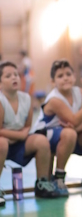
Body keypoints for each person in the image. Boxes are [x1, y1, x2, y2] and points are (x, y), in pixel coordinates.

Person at [31, 59, 82, 197]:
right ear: (53, 82)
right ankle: (59, 178)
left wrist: (75, 126)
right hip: (45, 136)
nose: (65, 78)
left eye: (68, 74)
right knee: (69, 133)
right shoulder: (55, 99)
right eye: (60, 76)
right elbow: (75, 119)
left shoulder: (79, 92)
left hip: (70, 133)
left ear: (74, 77)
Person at [0, 61, 58, 206]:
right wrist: (20, 135)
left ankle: (42, 183)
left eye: (16, 75)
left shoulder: (26, 98)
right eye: (8, 76)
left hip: (18, 141)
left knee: (41, 141)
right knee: (2, 143)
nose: (14, 78)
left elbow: (27, 126)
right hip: (3, 142)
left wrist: (21, 135)